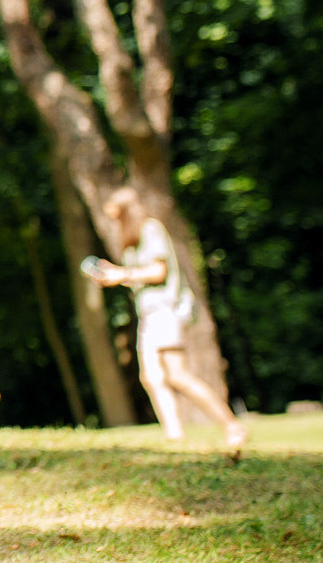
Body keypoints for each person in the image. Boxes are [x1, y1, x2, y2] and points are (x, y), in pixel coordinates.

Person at [84, 188, 247, 448]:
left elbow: (158, 272)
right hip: (149, 313)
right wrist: (115, 276)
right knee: (151, 377)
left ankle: (232, 426)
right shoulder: (134, 240)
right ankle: (174, 436)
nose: (113, 220)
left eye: (114, 213)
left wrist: (122, 274)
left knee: (178, 375)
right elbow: (141, 276)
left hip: (164, 310)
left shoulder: (150, 229)